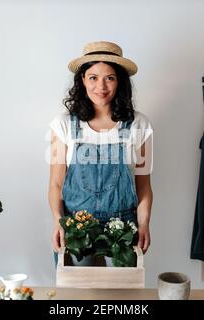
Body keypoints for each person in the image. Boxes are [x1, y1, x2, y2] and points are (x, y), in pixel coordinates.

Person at [48, 41, 154, 260]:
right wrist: (57, 220)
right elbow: (56, 184)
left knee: (121, 294)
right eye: (93, 77)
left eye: (110, 78)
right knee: (78, 293)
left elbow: (143, 186)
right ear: (83, 80)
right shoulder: (63, 125)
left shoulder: (139, 125)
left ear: (120, 82)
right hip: (76, 227)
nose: (101, 86)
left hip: (123, 230)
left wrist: (144, 224)